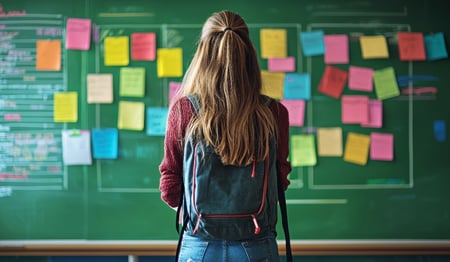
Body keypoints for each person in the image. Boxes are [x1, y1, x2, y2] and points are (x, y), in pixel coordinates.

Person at [159, 10, 291, 262]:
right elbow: (279, 179)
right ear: (249, 54)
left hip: (199, 248)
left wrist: (198, 214)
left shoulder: (184, 110)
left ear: (202, 55)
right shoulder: (274, 112)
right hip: (256, 246)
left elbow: (170, 185)